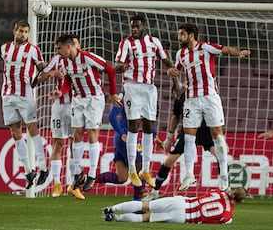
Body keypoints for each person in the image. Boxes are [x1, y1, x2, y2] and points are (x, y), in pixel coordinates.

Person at [168, 23, 251, 191]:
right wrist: (172, 73)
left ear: (191, 35)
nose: (179, 37)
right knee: (189, 136)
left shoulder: (206, 47)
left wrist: (239, 52)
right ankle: (189, 175)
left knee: (217, 136)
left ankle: (224, 175)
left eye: (182, 34)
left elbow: (226, 49)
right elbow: (176, 70)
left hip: (210, 97)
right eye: (179, 34)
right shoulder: (181, 53)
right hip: (191, 99)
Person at [49, 34, 121, 193]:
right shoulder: (65, 62)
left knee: (93, 133)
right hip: (78, 100)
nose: (58, 52)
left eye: (59, 48)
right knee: (77, 133)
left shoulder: (87, 57)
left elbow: (109, 69)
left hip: (94, 99)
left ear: (68, 47)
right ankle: (78, 172)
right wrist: (61, 92)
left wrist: (112, 93)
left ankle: (92, 174)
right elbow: (67, 81)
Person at [114, 14, 180, 188]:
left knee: (149, 126)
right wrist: (123, 66)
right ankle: (132, 171)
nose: (134, 29)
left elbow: (167, 61)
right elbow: (117, 65)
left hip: (149, 88)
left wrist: (175, 82)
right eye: (132, 27)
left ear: (143, 26)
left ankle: (145, 170)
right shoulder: (126, 43)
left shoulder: (154, 42)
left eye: (137, 26)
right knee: (134, 125)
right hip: (132, 87)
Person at [0, 20, 49, 189]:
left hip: (25, 95)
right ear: (15, 31)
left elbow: (43, 69)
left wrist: (34, 82)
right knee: (15, 132)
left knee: (32, 128)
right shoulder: (4, 48)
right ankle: (29, 171)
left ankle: (43, 167)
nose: (23, 34)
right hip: (7, 95)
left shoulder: (33, 50)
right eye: (21, 31)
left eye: (26, 32)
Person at [143, 91, 218, 200]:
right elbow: (175, 117)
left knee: (221, 157)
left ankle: (225, 190)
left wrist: (218, 135)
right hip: (187, 132)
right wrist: (168, 139)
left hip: (206, 131)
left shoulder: (207, 94)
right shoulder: (182, 97)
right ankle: (155, 191)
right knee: (168, 161)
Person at [37, 35, 85, 200]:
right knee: (58, 143)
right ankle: (57, 184)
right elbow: (39, 77)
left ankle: (73, 185)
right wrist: (50, 73)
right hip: (59, 107)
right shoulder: (56, 59)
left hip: (76, 106)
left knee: (74, 144)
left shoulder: (83, 60)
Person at [95, 92, 163, 200]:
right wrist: (122, 133)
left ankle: (88, 180)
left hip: (127, 138)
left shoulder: (142, 94)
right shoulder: (125, 95)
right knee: (140, 164)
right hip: (125, 138)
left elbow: (147, 120)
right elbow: (112, 116)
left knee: (121, 178)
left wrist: (155, 136)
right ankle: (137, 201)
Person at [102, 187, 247, 224]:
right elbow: (224, 221)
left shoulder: (218, 192)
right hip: (183, 217)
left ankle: (112, 209)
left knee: (145, 205)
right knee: (146, 218)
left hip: (182, 202)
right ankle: (115, 218)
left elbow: (212, 195)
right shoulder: (227, 217)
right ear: (240, 202)